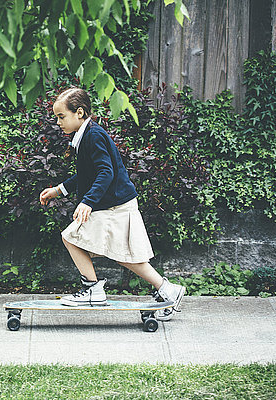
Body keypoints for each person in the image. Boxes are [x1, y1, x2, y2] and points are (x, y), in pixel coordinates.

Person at [39, 87, 185, 321]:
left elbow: (105, 173)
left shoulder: (93, 136)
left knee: (71, 237)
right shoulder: (85, 136)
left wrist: (87, 202)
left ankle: (92, 289)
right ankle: (169, 290)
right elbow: (87, 174)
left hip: (115, 205)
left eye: (61, 116)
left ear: (79, 112)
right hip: (115, 204)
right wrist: (58, 190)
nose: (58, 122)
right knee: (124, 255)